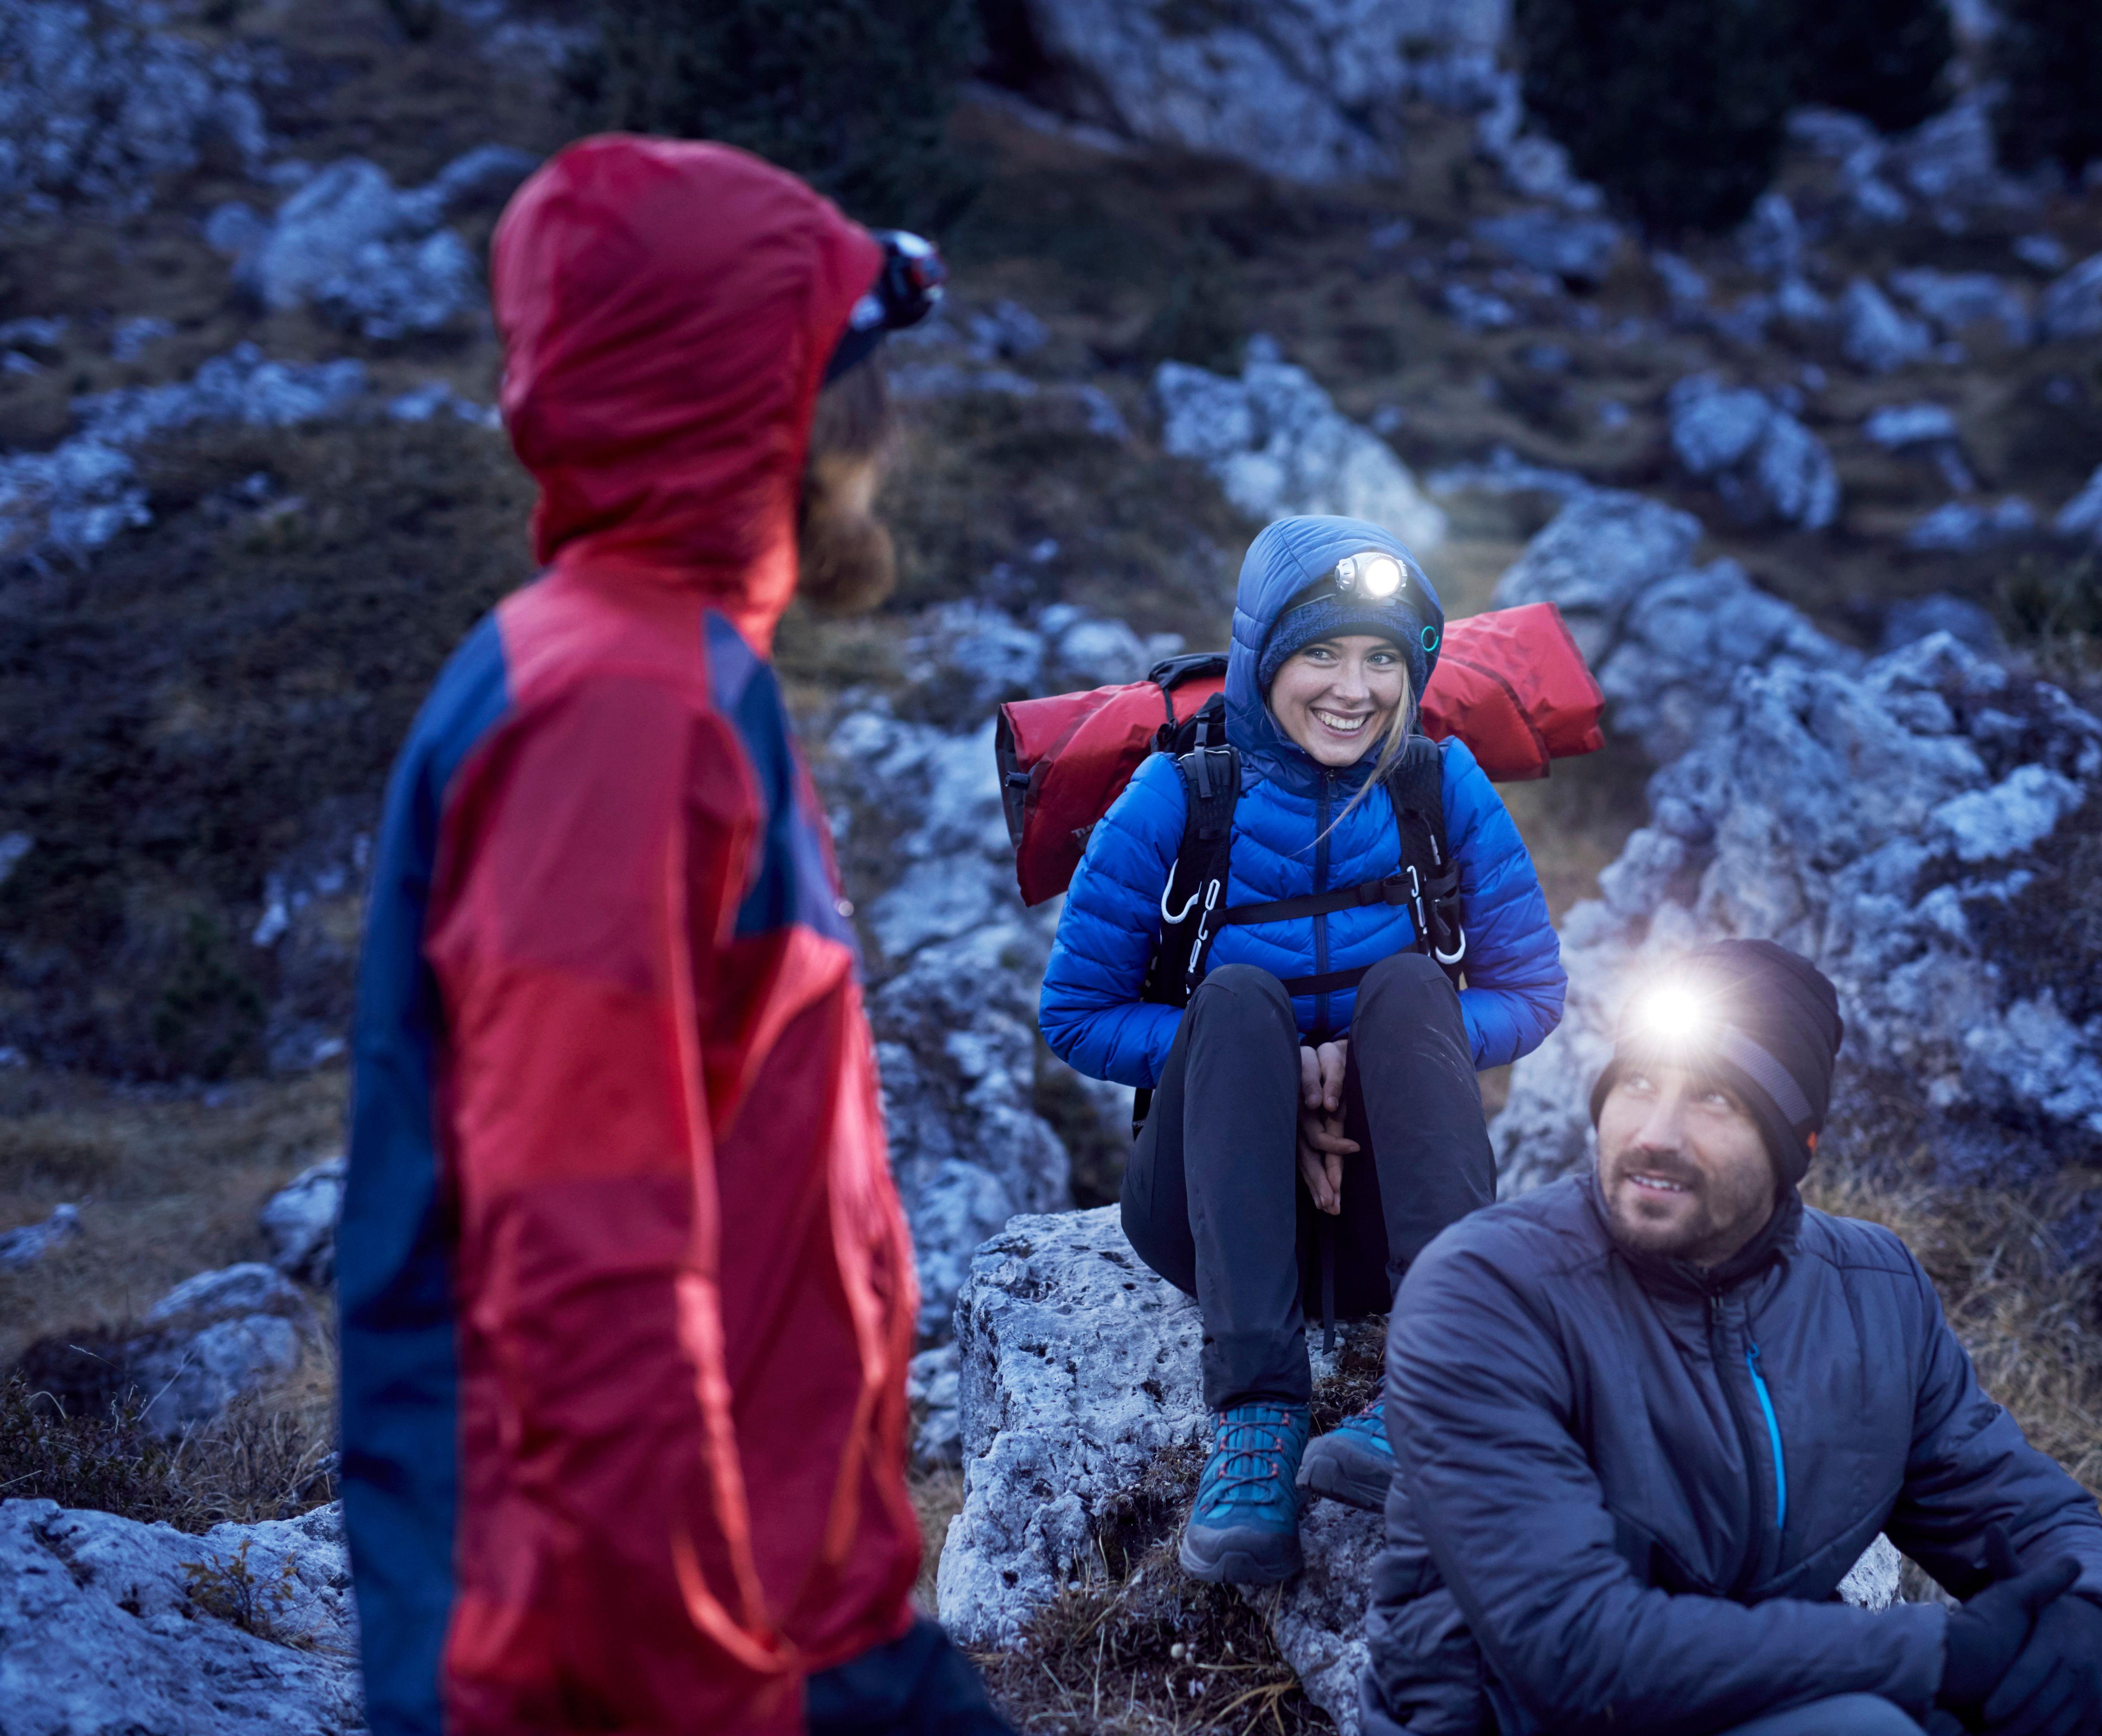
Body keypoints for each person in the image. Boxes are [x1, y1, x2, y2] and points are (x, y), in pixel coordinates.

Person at [340, 136, 1010, 1736]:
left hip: (783, 1615)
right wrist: (716, 1687)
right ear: (779, 406)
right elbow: (582, 1273)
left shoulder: (658, 676)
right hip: (657, 1659)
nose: (890, 435)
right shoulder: (619, 712)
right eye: (857, 373)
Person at [1364, 939, 2102, 1736]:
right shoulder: (1491, 1288)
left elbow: (2019, 1502)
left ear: (1801, 1146)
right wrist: (1939, 1655)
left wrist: (2100, 1616)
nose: (1654, 1131)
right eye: (1637, 1084)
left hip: (1792, 1691)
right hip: (1554, 1716)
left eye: (1714, 1098)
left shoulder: (1872, 1289)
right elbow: (1575, 1649)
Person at [1038, 515, 1566, 1586]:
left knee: (1415, 986)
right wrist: (1279, 1066)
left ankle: (1435, 1381)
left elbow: (1533, 993)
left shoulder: (1437, 787)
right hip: (1210, 1213)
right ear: (1262, 658)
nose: (1354, 688)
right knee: (1235, 1001)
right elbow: (1076, 1014)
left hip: (1382, 1216)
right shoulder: (1181, 799)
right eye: (1320, 652)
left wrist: (1362, 1055)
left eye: (1382, 657)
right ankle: (1257, 1422)